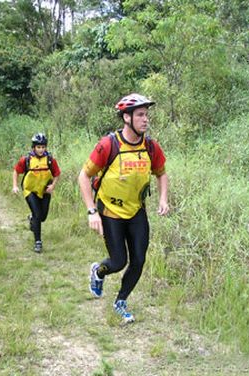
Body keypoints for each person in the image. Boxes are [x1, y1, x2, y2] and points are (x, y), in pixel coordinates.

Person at [78, 93, 169, 324]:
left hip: (136, 210)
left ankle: (121, 301)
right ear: (126, 117)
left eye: (146, 115)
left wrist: (163, 199)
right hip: (110, 211)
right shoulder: (108, 145)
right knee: (118, 262)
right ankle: (99, 271)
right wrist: (92, 211)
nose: (145, 120)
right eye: (140, 115)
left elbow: (161, 173)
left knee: (138, 259)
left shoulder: (150, 147)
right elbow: (84, 176)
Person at [13, 133, 61, 253]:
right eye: (38, 147)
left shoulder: (50, 160)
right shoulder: (27, 160)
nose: (41, 149)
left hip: (44, 190)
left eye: (43, 147)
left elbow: (57, 174)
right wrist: (15, 186)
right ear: (33, 147)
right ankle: (38, 242)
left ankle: (32, 219)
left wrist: (53, 186)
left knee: (42, 217)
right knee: (37, 214)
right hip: (30, 190)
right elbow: (16, 171)